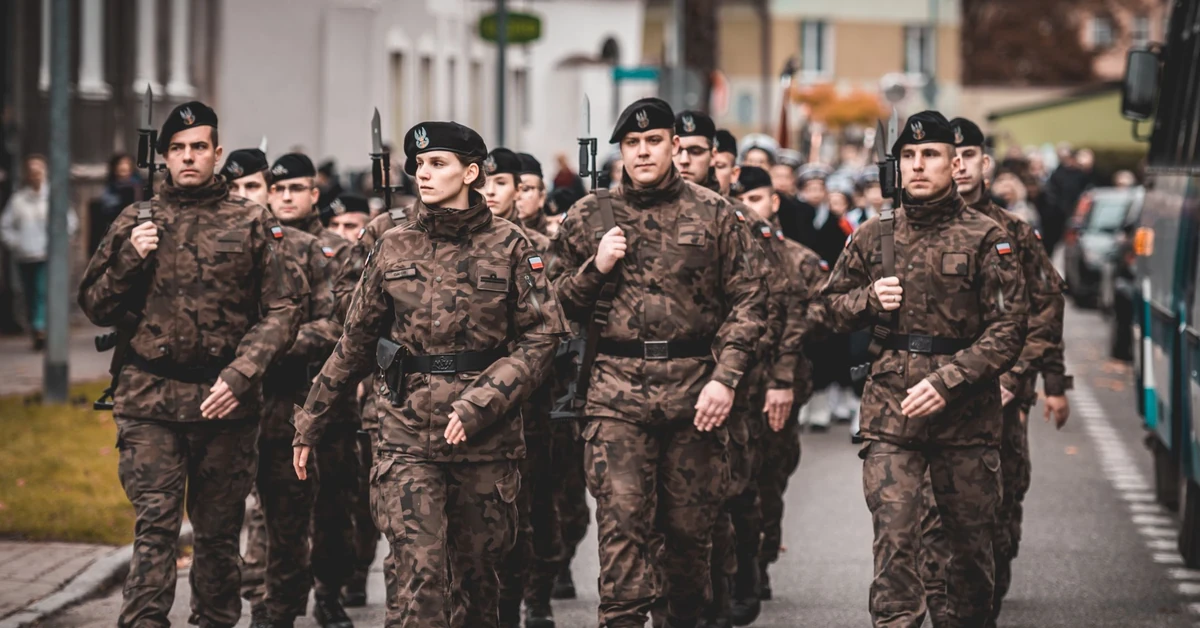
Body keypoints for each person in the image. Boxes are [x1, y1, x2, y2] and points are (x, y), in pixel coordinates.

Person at [293, 121, 568, 628]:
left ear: (471, 173)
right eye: (419, 164)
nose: (424, 173)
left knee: (479, 583)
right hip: (405, 433)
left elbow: (542, 337)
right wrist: (309, 418)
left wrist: (480, 402)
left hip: (486, 438)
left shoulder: (512, 246)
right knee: (417, 580)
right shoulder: (393, 245)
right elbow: (353, 341)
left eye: (437, 163)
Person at [78, 101, 302, 628]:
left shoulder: (252, 221)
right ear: (163, 158)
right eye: (176, 149)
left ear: (216, 153)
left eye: (198, 147)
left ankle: (214, 620)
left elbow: (283, 309)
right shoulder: (137, 219)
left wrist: (242, 373)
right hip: (149, 401)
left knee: (218, 534)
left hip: (224, 403)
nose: (187, 157)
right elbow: (94, 304)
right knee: (154, 527)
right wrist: (131, 256)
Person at [549, 97, 767, 628]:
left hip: (696, 392)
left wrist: (726, 377)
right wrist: (594, 268)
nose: (643, 152)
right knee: (623, 522)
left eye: (653, 142)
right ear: (620, 150)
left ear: (674, 145)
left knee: (690, 534)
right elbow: (548, 304)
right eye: (631, 144)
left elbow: (751, 301)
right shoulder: (588, 215)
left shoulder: (716, 214)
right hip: (614, 392)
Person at [819, 110, 1027, 627]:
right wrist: (867, 301)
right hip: (892, 414)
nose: (917, 166)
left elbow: (1009, 328)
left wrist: (948, 380)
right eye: (908, 156)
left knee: (969, 552)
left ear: (955, 163)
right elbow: (826, 308)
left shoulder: (987, 237)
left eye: (929, 155)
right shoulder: (874, 236)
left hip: (966, 418)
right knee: (895, 540)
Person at [915, 117, 1071, 627]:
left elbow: (1043, 308)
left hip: (1000, 397)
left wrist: (1028, 378)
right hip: (933, 394)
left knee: (998, 508)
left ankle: (983, 595)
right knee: (930, 514)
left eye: (967, 155)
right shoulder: (909, 225)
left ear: (984, 164)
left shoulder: (1012, 232)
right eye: (947, 154)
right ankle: (945, 608)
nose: (956, 165)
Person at [218, 147, 344, 628]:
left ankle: (281, 613)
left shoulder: (304, 249)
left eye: (255, 187)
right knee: (228, 523)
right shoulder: (220, 246)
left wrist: (264, 351)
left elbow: (333, 325)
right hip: (224, 407)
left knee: (288, 524)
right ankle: (249, 605)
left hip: (287, 406)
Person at [268, 152, 359, 628]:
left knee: (332, 507)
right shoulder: (258, 243)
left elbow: (344, 325)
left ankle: (329, 591)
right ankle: (274, 603)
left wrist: (269, 347)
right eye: (278, 189)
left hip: (328, 402)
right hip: (268, 401)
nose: (286, 197)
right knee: (273, 512)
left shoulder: (337, 250)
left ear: (313, 194)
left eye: (296, 189)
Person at [722, 165, 814, 626]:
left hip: (770, 384)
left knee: (767, 481)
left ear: (773, 202)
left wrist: (782, 382)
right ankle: (735, 570)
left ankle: (757, 564)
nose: (748, 207)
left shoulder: (790, 257)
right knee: (731, 483)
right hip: (729, 385)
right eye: (742, 198)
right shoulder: (724, 240)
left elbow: (798, 321)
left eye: (756, 198)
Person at [480, 147, 560, 628]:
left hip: (529, 401)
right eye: (484, 182)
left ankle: (530, 599)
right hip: (469, 400)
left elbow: (554, 324)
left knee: (527, 509)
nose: (490, 191)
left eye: (502, 183)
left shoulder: (539, 250)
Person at [2, 154, 76, 350]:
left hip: (47, 255)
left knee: (42, 292)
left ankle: (40, 328)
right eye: (32, 171)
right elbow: (5, 226)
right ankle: (37, 328)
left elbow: (70, 222)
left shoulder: (54, 197)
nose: (35, 175)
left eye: (39, 170)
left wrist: (58, 245)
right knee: (29, 293)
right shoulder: (18, 200)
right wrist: (17, 243)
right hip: (25, 256)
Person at [90, 153, 143, 255]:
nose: (124, 167)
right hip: (115, 232)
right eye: (121, 164)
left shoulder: (141, 186)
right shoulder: (110, 189)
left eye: (127, 163)